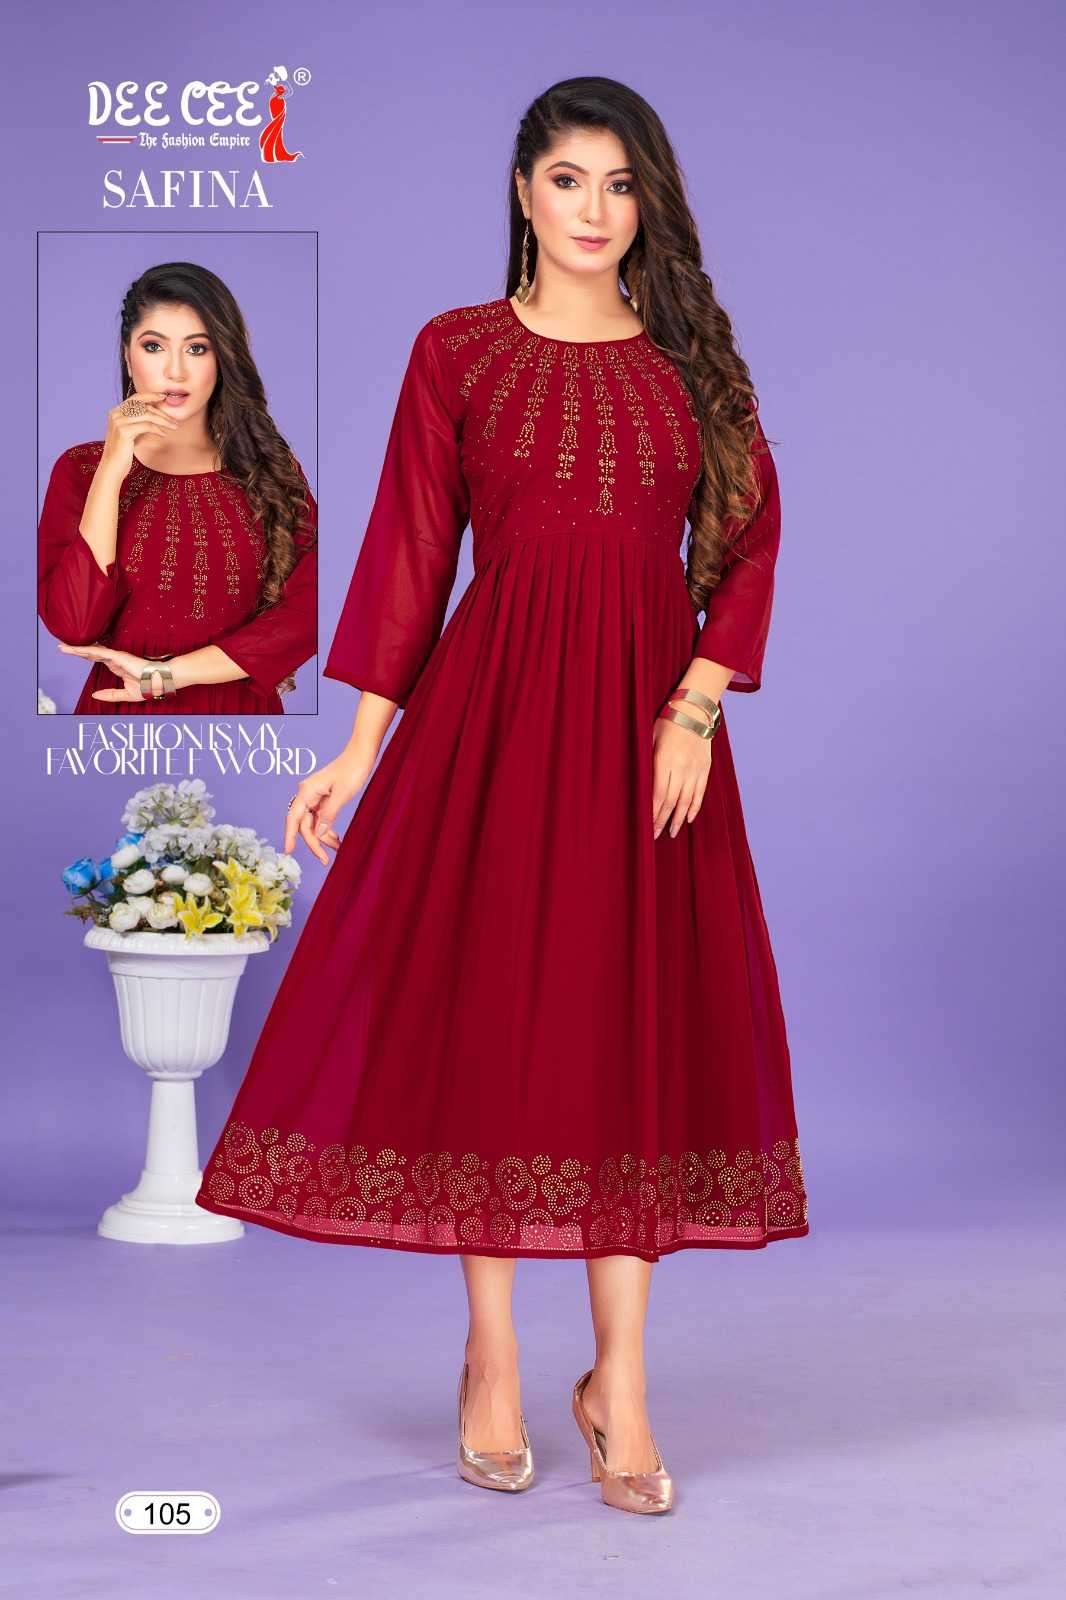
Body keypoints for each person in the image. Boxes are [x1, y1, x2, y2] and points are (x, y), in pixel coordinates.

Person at [195, 77, 809, 1515]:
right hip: (493, 719)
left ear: (646, 204)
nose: (595, 209)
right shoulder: (455, 351)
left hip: (646, 730)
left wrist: (694, 710)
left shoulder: (691, 368)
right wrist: (359, 746)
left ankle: (622, 1383)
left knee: (627, 1030)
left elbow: (748, 545)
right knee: (494, 1020)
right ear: (523, 193)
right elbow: (411, 550)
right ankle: (490, 1352)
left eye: (620, 184)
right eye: (568, 179)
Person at [37, 261, 317, 714]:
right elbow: (74, 624)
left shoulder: (269, 472)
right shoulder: (81, 469)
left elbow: (311, 612)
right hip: (120, 718)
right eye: (154, 346)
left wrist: (170, 675)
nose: (175, 371)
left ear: (223, 359)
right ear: (128, 356)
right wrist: (112, 469)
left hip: (240, 719)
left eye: (197, 349)